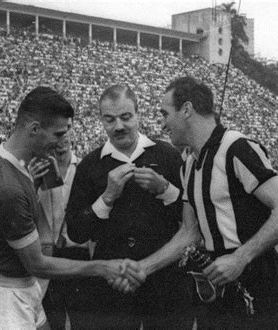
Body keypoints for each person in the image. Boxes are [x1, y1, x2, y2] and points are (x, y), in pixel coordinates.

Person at [134, 76, 278, 329]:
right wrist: (142, 268)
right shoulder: (188, 164)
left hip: (259, 280)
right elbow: (189, 233)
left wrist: (240, 258)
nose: (163, 123)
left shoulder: (237, 148)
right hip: (216, 282)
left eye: (165, 113)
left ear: (187, 110)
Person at [0, 86, 144, 329]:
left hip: (23, 287)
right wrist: (103, 267)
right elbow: (38, 263)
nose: (60, 143)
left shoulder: (3, 163)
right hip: (9, 295)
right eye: (57, 135)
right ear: (34, 129)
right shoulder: (7, 186)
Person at [65, 84, 194, 329]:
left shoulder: (168, 156)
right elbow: (76, 231)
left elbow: (191, 221)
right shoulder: (90, 165)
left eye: (126, 117)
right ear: (101, 120)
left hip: (165, 279)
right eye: (110, 119)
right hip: (112, 284)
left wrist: (165, 189)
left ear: (138, 114)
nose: (119, 126)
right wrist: (106, 198)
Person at [27, 104, 94, 329]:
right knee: (53, 316)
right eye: (59, 140)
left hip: (78, 249)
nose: (62, 145)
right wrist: (32, 182)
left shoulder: (84, 168)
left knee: (81, 318)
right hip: (51, 250)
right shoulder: (42, 168)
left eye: (66, 139)